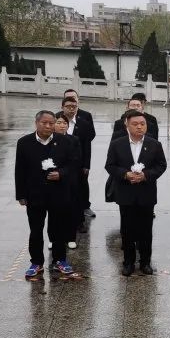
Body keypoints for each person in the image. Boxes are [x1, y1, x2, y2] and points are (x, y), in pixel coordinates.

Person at [14, 110, 77, 278]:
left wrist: (61, 174)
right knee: (36, 230)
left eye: (52, 123)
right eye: (45, 123)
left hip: (58, 193)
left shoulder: (64, 141)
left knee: (58, 229)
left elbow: (72, 165)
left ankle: (60, 260)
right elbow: (19, 170)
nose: (49, 126)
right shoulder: (24, 142)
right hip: (35, 194)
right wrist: (20, 194)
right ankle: (36, 262)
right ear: (37, 123)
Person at [105, 110, 168, 276]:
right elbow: (110, 166)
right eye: (135, 124)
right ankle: (128, 262)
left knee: (146, 230)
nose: (140, 127)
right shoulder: (117, 144)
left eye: (142, 124)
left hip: (146, 193)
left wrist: (145, 175)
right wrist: (125, 174)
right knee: (127, 230)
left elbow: (161, 166)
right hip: (125, 194)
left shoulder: (154, 144)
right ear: (127, 125)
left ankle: (145, 262)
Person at [60, 96, 95, 235]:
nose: (71, 109)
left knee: (78, 194)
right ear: (62, 107)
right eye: (68, 106)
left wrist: (86, 165)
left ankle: (79, 222)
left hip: (78, 166)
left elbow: (87, 146)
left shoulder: (83, 123)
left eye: (74, 106)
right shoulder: (56, 120)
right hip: (59, 166)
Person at [53, 112, 83, 250]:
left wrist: (63, 172)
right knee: (54, 211)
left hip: (69, 179)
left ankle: (71, 237)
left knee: (70, 209)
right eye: (58, 122)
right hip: (52, 180)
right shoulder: (49, 139)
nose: (61, 125)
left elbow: (76, 161)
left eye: (64, 123)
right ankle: (54, 238)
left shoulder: (74, 140)